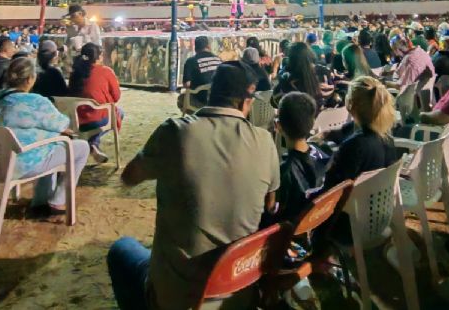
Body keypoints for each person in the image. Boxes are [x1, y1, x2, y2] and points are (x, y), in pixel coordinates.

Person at [109, 62, 279, 310]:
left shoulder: (175, 132)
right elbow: (270, 203)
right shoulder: (265, 142)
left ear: (211, 92)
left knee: (121, 249)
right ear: (247, 99)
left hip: (179, 297)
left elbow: (129, 176)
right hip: (236, 291)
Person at [0, 57, 88, 213]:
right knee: (81, 147)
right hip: (23, 164)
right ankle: (58, 200)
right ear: (30, 79)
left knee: (49, 142)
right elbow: (62, 123)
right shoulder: (35, 101)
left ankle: (41, 200)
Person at [274, 91, 327, 222]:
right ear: (312, 123)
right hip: (320, 220)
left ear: (278, 126)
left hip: (295, 231)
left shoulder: (283, 172)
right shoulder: (324, 153)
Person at [69, 42, 123, 163]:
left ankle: (92, 144)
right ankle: (92, 142)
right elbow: (116, 96)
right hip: (96, 119)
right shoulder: (106, 71)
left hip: (76, 118)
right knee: (120, 112)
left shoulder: (75, 73)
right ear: (98, 57)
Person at [392, 34, 435, 112]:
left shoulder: (411, 60)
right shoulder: (418, 50)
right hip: (423, 91)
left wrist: (383, 83)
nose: (395, 53)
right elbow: (399, 70)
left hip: (413, 101)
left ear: (399, 48)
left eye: (394, 50)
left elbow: (401, 85)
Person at [180, 35, 221, 110]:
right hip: (218, 99)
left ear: (195, 48)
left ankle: (196, 116)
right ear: (208, 46)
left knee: (181, 98)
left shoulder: (190, 61)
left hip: (201, 99)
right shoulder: (218, 59)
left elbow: (186, 84)